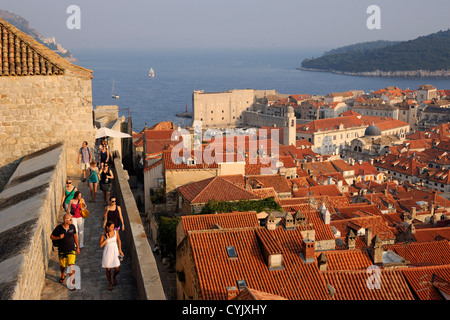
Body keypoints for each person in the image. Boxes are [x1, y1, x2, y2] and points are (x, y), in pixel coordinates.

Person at [50, 213, 80, 289]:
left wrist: (78, 247)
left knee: (71, 266)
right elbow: (51, 236)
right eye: (70, 219)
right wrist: (58, 237)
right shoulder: (58, 228)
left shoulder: (72, 227)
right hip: (62, 250)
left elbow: (75, 236)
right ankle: (62, 274)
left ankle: (70, 283)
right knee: (62, 266)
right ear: (65, 221)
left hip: (71, 249)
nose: (71, 220)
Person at [100, 221, 124, 290]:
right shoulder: (103, 235)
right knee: (108, 269)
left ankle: (114, 277)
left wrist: (120, 250)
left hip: (115, 251)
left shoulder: (116, 232)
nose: (113, 228)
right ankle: (110, 283)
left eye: (113, 227)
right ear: (107, 227)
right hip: (107, 252)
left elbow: (119, 240)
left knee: (117, 268)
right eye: (111, 227)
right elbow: (101, 245)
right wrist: (107, 238)